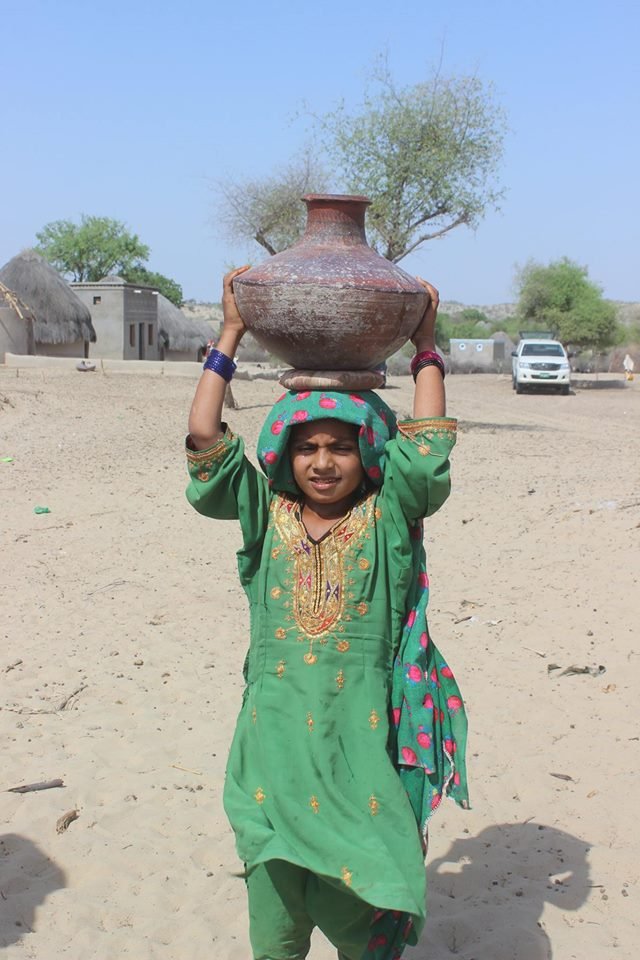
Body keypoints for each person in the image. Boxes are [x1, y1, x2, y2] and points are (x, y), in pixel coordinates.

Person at [185, 267, 469, 960]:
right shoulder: (264, 513)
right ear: (284, 453)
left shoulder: (386, 520)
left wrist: (424, 347)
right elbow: (204, 439)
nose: (322, 462)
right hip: (272, 754)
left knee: (365, 917)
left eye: (341, 446)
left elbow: (427, 446)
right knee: (275, 932)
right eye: (307, 446)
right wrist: (230, 333)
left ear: (367, 454)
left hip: (358, 755)